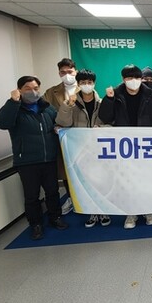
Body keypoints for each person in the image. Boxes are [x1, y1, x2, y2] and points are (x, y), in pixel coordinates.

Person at [0, 76, 69, 240]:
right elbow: (1, 123)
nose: (32, 92)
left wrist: (57, 127)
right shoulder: (15, 109)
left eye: (35, 88)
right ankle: (36, 224)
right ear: (19, 90)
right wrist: (13, 102)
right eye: (27, 88)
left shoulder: (46, 108)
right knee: (31, 196)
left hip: (49, 159)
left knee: (52, 191)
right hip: (27, 161)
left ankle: (55, 217)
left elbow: (58, 122)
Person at [98, 64, 152, 228]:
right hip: (125, 146)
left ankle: (148, 209)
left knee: (147, 179)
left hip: (146, 145)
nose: (134, 81)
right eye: (129, 78)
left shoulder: (151, 95)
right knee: (128, 180)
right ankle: (131, 213)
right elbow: (105, 117)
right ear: (123, 79)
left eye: (137, 77)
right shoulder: (115, 95)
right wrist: (109, 99)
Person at [55, 69, 109, 229]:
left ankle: (104, 211)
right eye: (83, 82)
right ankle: (91, 212)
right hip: (79, 151)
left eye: (89, 82)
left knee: (101, 182)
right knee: (86, 183)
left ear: (94, 83)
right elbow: (62, 123)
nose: (87, 85)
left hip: (99, 150)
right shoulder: (71, 103)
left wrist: (102, 128)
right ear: (78, 84)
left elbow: (111, 123)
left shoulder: (102, 103)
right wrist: (68, 105)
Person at [43, 57, 77, 215]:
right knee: (66, 170)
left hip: (82, 138)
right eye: (63, 72)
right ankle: (70, 198)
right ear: (59, 73)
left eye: (70, 71)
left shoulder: (85, 88)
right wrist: (55, 126)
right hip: (62, 139)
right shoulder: (51, 92)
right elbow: (45, 113)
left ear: (75, 71)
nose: (67, 75)